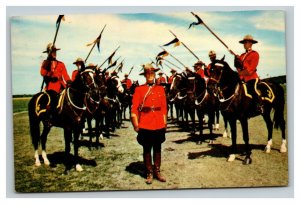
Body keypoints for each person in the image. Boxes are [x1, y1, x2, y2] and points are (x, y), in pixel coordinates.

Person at [131, 63, 167, 184]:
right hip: (145, 122)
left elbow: (164, 108)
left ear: (154, 74)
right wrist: (136, 124)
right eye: (148, 74)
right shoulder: (139, 89)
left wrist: (164, 123)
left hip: (158, 122)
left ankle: (157, 171)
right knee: (147, 148)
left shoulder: (160, 89)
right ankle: (149, 172)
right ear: (145, 75)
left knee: (157, 147)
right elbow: (134, 108)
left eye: (152, 73)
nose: (150, 76)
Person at [40, 43, 71, 126]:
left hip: (62, 86)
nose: (54, 53)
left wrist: (69, 81)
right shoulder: (46, 63)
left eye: (55, 51)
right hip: (51, 86)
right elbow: (42, 72)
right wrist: (50, 75)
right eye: (52, 52)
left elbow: (66, 75)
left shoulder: (61, 64)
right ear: (49, 53)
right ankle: (49, 118)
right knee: (53, 99)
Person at [233, 34, 262, 113]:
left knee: (253, 90)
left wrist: (241, 64)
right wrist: (236, 61)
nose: (245, 44)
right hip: (242, 78)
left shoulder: (255, 54)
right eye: (244, 43)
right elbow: (238, 69)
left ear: (251, 43)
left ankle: (259, 106)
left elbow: (250, 70)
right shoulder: (242, 55)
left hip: (252, 78)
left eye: (247, 42)